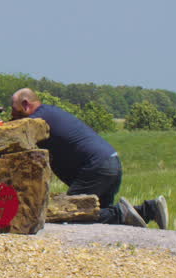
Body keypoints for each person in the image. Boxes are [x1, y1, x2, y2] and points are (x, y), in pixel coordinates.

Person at [10, 88, 167, 228]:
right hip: (111, 163)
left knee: (70, 214)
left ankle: (123, 213)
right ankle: (150, 209)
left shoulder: (37, 120)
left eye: (14, 111)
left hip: (96, 167)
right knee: (97, 217)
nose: (13, 116)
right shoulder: (50, 113)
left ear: (26, 104)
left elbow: (12, 133)